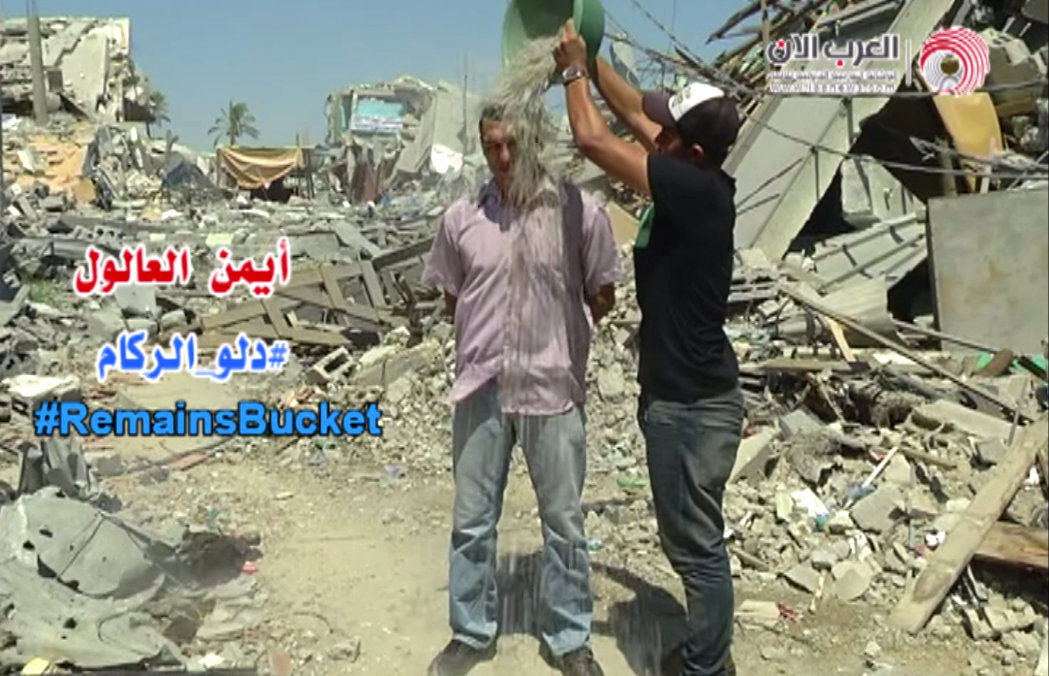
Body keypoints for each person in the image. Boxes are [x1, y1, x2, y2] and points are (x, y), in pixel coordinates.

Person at [555, 20, 744, 676]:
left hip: (692, 407)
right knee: (690, 539)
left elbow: (593, 139)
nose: (654, 134)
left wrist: (571, 74)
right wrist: (592, 58)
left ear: (693, 152)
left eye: (669, 133)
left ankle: (705, 669)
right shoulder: (691, 172)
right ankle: (706, 657)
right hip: (686, 398)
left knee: (695, 550)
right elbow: (635, 112)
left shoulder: (695, 192)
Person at [422, 100, 621, 676]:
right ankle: (471, 631)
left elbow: (602, 293)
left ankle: (569, 637)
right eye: (492, 146)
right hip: (481, 388)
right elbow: (454, 298)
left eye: (512, 144)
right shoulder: (462, 217)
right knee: (472, 521)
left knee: (564, 523)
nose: (503, 157)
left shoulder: (578, 213)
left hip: (551, 389)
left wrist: (555, 339)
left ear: (534, 141)